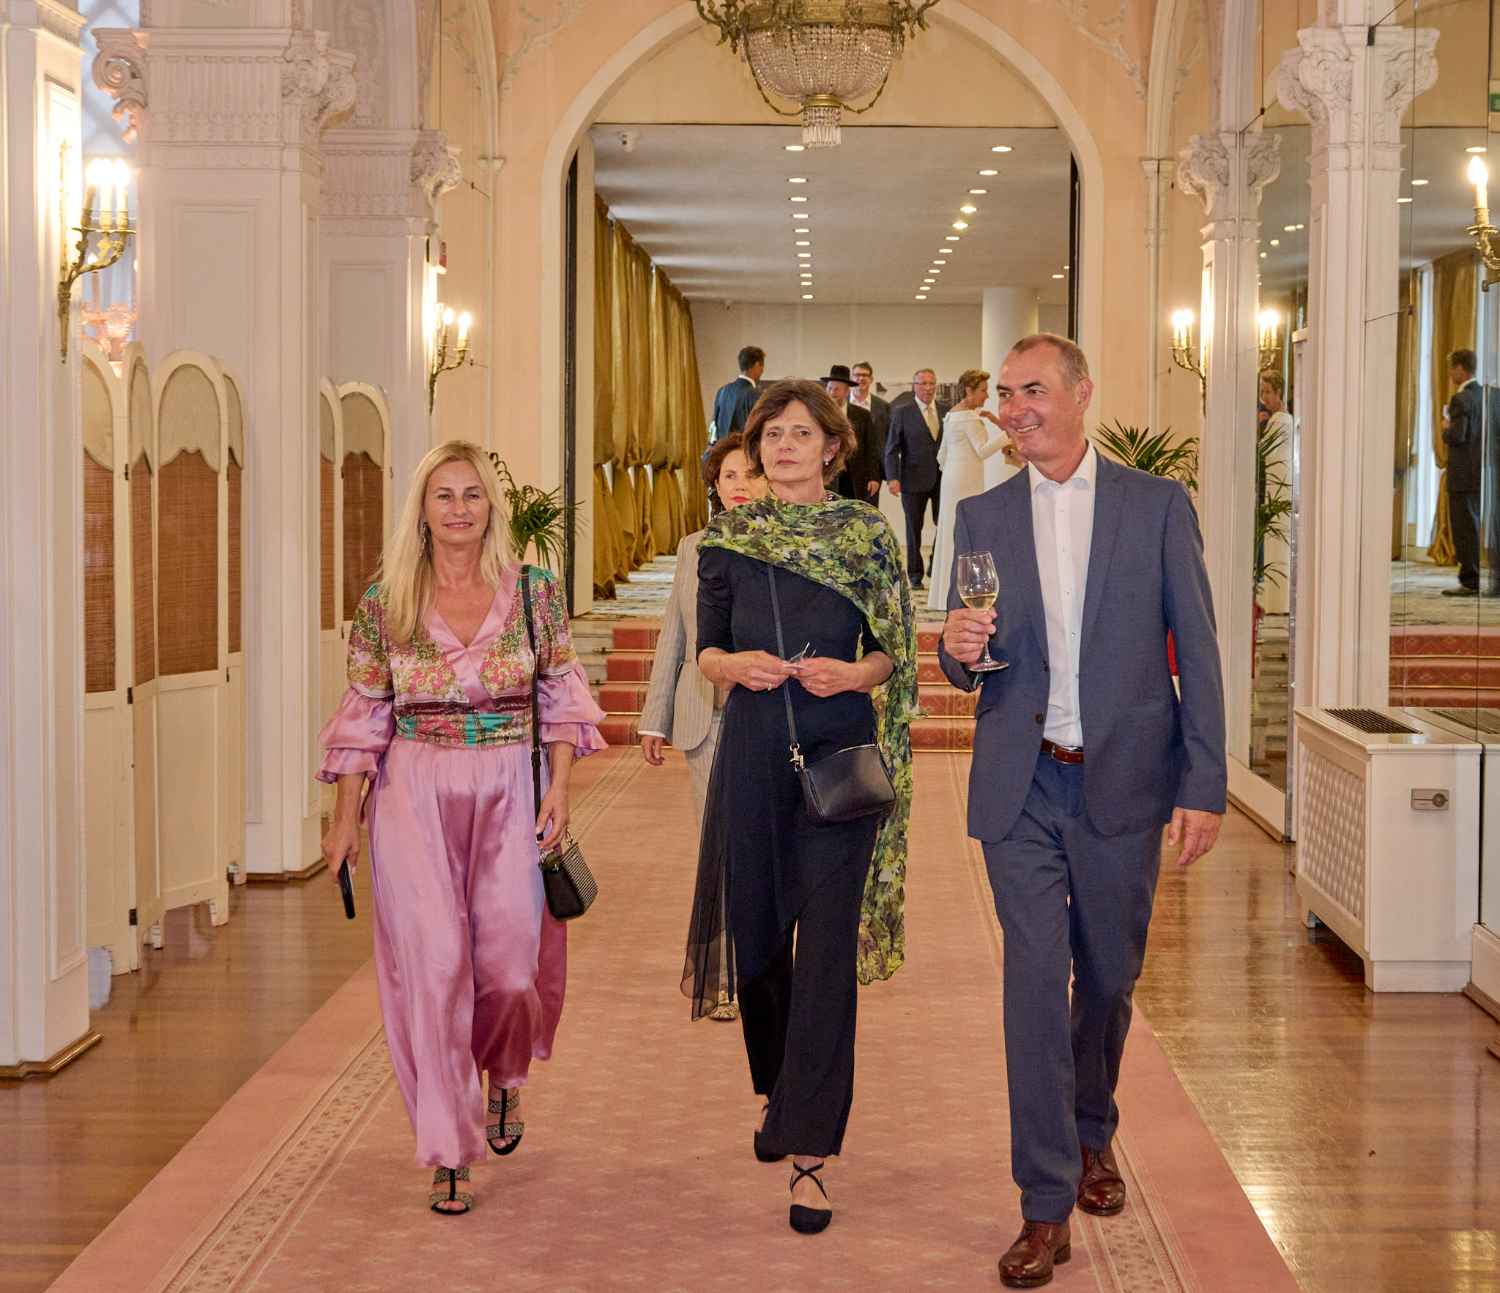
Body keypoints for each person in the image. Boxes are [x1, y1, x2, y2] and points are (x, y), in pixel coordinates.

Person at [939, 335, 1226, 1289]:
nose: (1013, 407)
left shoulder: (1155, 505)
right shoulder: (981, 514)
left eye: (1032, 389)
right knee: (1033, 983)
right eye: (1004, 393)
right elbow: (965, 653)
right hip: (1021, 784)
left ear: (1080, 394)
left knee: (1106, 975)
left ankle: (1092, 1125)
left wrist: (1204, 781)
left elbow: (1199, 647)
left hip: (1124, 783)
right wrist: (956, 648)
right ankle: (1044, 1200)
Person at [317, 440, 605, 1216]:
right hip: (413, 791)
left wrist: (561, 787)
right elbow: (364, 713)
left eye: (472, 494)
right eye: (443, 495)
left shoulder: (535, 593)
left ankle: (505, 1072)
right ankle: (448, 1145)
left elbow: (561, 694)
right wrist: (344, 820)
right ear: (422, 509)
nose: (458, 509)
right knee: (437, 966)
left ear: (491, 507)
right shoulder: (386, 600)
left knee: (510, 969)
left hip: (512, 782)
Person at [682, 378, 917, 1235]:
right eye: (771, 435)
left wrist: (855, 673)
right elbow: (706, 651)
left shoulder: (866, 536)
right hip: (752, 754)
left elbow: (893, 650)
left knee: (823, 957)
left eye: (800, 433)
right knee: (757, 941)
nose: (784, 446)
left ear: (833, 447)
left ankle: (811, 1153)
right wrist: (731, 666)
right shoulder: (728, 540)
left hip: (839, 755)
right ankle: (777, 1088)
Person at [639, 432, 767, 1021]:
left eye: (750, 474)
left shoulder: (783, 546)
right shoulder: (693, 548)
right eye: (728, 476)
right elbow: (675, 635)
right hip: (703, 720)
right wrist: (654, 718)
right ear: (715, 486)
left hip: (765, 720)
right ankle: (722, 978)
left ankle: (764, 967)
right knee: (718, 850)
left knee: (760, 847)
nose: (739, 486)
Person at [927, 368, 1011, 611]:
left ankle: (943, 593)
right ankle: (962, 589)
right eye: (983, 390)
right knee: (965, 529)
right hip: (967, 479)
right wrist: (1008, 434)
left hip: (951, 478)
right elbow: (983, 450)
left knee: (948, 530)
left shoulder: (952, 415)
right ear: (968, 390)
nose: (987, 396)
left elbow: (941, 456)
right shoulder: (969, 419)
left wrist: (954, 469)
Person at [884, 368, 949, 588]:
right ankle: (914, 574)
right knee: (914, 530)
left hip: (942, 478)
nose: (928, 388)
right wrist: (892, 478)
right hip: (912, 480)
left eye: (931, 383)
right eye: (923, 383)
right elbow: (891, 448)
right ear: (914, 386)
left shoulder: (946, 410)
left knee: (944, 524)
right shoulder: (902, 412)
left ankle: (934, 565)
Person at [1442, 348, 1483, 597]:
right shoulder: (1485, 396)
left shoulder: (1460, 399)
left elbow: (1458, 435)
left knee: (1463, 529)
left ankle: (1470, 581)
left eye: (1451, 368)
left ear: (1460, 369)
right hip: (1480, 474)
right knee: (1473, 527)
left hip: (1462, 476)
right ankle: (1475, 577)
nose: (1449, 374)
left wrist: (1446, 428)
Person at [823, 364, 882, 502]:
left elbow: (871, 448)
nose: (832, 392)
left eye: (837, 389)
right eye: (829, 388)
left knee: (853, 512)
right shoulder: (819, 415)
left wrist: (874, 477)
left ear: (846, 391)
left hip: (855, 476)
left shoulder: (862, 415)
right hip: (828, 475)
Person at [712, 346, 765, 442]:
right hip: (743, 449)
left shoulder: (722, 391)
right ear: (757, 365)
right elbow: (759, 431)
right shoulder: (756, 395)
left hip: (722, 449)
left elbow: (714, 428)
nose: (762, 371)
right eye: (762, 366)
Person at [850, 361, 891, 452]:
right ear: (851, 378)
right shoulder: (841, 403)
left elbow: (888, 437)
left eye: (865, 375)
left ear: (871, 379)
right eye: (857, 375)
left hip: (875, 458)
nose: (861, 378)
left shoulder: (884, 406)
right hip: (847, 457)